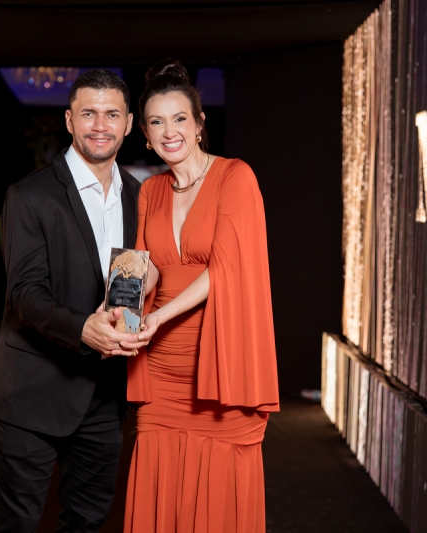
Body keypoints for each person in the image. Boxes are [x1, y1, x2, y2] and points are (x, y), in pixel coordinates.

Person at [0, 69, 145, 533]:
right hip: (32, 392)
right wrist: (82, 329)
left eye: (112, 114)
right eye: (89, 113)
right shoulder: (29, 195)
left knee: (87, 523)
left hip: (105, 395)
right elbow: (24, 294)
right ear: (70, 120)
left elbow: (136, 279)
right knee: (16, 524)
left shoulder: (140, 196)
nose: (100, 125)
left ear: (128, 124)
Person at [123, 59, 280, 533]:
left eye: (179, 119)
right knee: (161, 492)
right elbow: (144, 266)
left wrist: (158, 317)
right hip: (161, 369)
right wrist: (118, 313)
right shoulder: (150, 191)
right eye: (156, 122)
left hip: (220, 362)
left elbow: (226, 269)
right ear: (145, 135)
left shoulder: (235, 176)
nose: (169, 131)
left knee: (218, 502)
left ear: (199, 123)